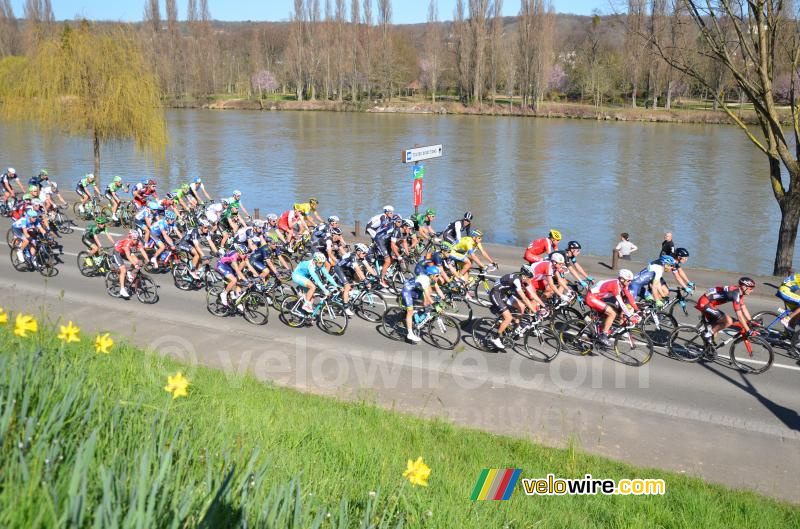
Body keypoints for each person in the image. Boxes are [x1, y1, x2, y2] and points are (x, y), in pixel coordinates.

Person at [488, 265, 541, 350]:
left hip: (504, 294)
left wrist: (543, 306)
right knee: (508, 318)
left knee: (522, 306)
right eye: (530, 278)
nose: (531, 280)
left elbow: (531, 293)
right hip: (496, 294)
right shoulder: (516, 280)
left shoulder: (522, 280)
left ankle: (516, 327)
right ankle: (495, 338)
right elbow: (524, 298)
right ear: (524, 276)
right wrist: (535, 312)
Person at [585, 269, 641, 348]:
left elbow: (629, 296)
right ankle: (603, 336)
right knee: (612, 313)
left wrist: (637, 310)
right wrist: (630, 316)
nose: (630, 282)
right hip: (591, 298)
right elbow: (621, 303)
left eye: (631, 281)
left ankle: (597, 333)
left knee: (608, 314)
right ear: (622, 279)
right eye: (629, 280)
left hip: (598, 298)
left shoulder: (622, 284)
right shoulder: (615, 285)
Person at [401, 266, 445, 343]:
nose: (439, 277)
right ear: (431, 275)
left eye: (439, 275)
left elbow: (438, 289)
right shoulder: (425, 280)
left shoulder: (433, 279)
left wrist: (444, 299)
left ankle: (418, 317)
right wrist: (436, 306)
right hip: (407, 290)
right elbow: (427, 296)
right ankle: (410, 334)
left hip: (416, 289)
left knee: (426, 302)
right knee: (410, 311)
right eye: (437, 275)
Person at [332, 243, 378, 316]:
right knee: (347, 286)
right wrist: (365, 281)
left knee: (358, 278)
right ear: (358, 251)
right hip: (339, 269)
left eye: (366, 253)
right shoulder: (353, 256)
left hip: (347, 269)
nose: (365, 254)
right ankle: (346, 307)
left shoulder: (362, 257)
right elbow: (357, 269)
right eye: (364, 253)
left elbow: (368, 267)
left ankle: (347, 292)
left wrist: (376, 276)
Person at [112, 230, 149, 299]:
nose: (136, 240)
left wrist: (148, 260)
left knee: (138, 261)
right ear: (130, 238)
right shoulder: (127, 243)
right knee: (123, 269)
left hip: (126, 251)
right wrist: (135, 265)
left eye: (137, 239)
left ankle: (130, 273)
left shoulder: (138, 241)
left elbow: (142, 251)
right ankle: (122, 289)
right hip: (118, 252)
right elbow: (128, 256)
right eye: (134, 239)